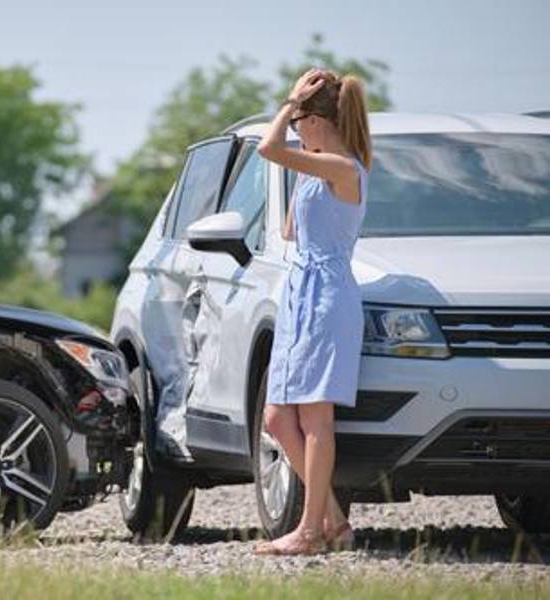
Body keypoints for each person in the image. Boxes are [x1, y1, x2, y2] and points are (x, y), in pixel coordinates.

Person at [253, 67, 372, 556]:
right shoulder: (317, 168)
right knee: (278, 418)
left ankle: (309, 531)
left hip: (327, 299)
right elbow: (289, 231)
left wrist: (287, 101)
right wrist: (302, 156)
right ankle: (335, 522)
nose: (294, 128)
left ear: (315, 120)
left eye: (299, 120)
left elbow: (267, 148)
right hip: (300, 296)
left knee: (315, 418)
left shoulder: (345, 168)